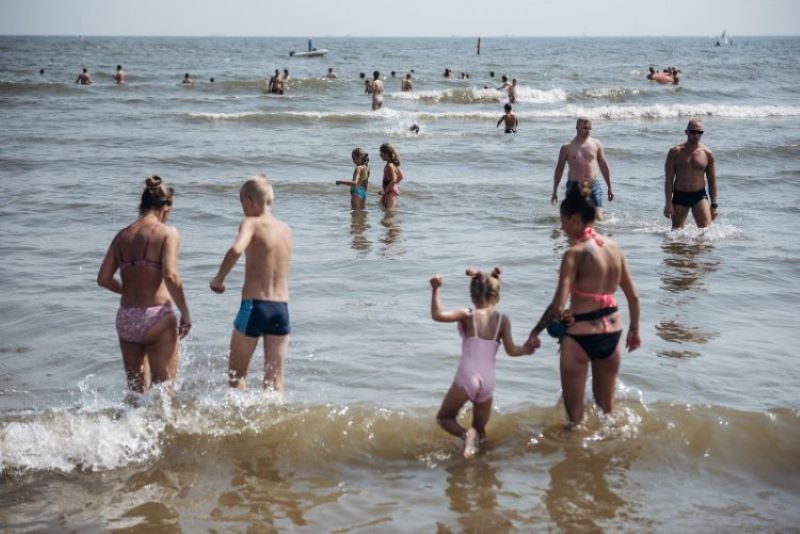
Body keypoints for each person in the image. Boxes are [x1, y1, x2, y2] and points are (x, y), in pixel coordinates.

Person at [527, 184, 640, 426]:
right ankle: (610, 453)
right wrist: (634, 331)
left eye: (563, 221)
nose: (562, 227)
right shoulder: (614, 247)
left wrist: (534, 332)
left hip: (581, 336)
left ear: (575, 219)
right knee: (607, 414)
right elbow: (633, 297)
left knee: (574, 421)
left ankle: (576, 458)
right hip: (612, 332)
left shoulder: (574, 253)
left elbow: (558, 305)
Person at [97, 176, 191, 394]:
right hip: (157, 318)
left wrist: (127, 289)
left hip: (127, 318)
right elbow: (171, 275)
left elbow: (103, 278)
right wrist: (185, 312)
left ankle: (131, 428)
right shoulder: (168, 233)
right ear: (165, 208)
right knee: (164, 394)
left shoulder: (121, 236)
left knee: (136, 394)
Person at [430, 267, 534, 458]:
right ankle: (482, 463)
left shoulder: (468, 314)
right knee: (481, 429)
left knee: (444, 417)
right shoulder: (503, 320)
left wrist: (436, 289)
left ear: (472, 295)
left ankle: (464, 434)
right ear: (498, 296)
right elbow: (512, 350)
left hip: (467, 377)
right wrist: (528, 349)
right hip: (488, 381)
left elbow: (437, 315)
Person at [210, 175, 293, 392]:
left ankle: (242, 423)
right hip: (281, 308)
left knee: (236, 377)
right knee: (275, 382)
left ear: (249, 201)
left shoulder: (250, 223)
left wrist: (219, 279)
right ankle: (273, 424)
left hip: (255, 307)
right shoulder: (286, 229)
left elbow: (237, 249)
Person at [551, 117, 614, 219]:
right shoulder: (567, 147)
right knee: (571, 217)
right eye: (585, 128)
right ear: (577, 128)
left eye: (590, 128)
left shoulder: (596, 144)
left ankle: (595, 234)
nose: (588, 131)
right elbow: (559, 170)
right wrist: (554, 191)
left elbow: (603, 166)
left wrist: (610, 188)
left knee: (598, 217)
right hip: (574, 185)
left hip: (593, 184)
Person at [663, 118, 718, 229]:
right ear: (686, 132)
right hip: (679, 195)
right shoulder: (675, 152)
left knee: (706, 231)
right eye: (693, 131)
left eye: (699, 132)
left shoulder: (707, 154)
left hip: (699, 196)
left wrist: (714, 205)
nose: (696, 135)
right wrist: (668, 203)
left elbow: (712, 181)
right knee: (676, 233)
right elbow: (669, 180)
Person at [379, 143, 403, 210]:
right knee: (382, 208)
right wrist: (389, 188)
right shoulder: (394, 164)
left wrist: (386, 190)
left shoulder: (390, 165)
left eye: (381, 153)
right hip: (389, 191)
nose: (380, 155)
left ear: (386, 153)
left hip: (390, 192)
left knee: (389, 213)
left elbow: (393, 180)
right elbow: (401, 177)